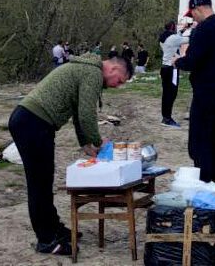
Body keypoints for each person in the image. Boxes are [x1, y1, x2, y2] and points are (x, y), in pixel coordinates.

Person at [8, 54, 132, 256]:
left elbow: (77, 112)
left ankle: (55, 228)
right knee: (39, 183)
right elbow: (86, 114)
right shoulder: (92, 73)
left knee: (45, 179)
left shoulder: (86, 70)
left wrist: (85, 142)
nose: (117, 86)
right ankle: (46, 240)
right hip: (32, 122)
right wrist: (99, 142)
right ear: (113, 70)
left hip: (33, 121)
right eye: (119, 81)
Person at [173, 0, 215, 183]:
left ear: (198, 9)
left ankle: (205, 184)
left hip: (205, 94)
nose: (193, 19)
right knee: (213, 141)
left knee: (199, 144)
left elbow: (193, 60)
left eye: (192, 15)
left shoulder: (203, 30)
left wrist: (179, 62)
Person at [159, 20, 187, 128]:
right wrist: (195, 29)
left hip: (164, 68)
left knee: (166, 93)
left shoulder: (163, 38)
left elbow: (176, 37)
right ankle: (167, 119)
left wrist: (184, 29)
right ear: (172, 27)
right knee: (172, 93)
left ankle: (165, 116)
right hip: (172, 69)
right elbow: (187, 39)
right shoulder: (174, 39)